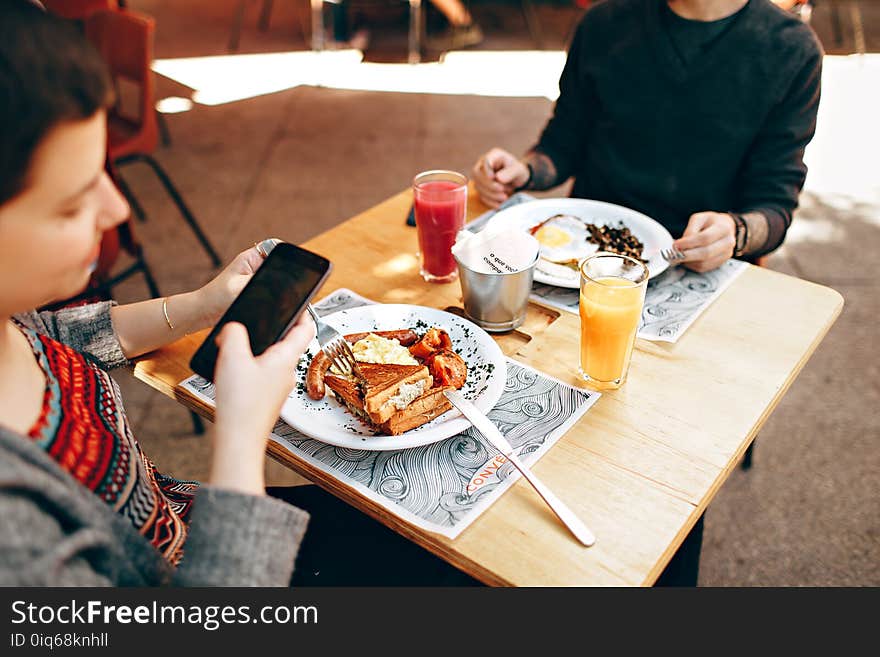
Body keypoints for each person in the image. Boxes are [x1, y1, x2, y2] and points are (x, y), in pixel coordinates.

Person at [0, 0, 317, 586]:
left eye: (104, 173)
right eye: (72, 203)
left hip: (185, 516)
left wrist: (203, 304)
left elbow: (54, 337)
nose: (117, 209)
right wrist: (241, 436)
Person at [471, 0, 822, 272]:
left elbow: (774, 206)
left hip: (696, 265)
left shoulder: (791, 49)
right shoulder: (604, 23)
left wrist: (735, 232)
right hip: (583, 254)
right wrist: (526, 170)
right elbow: (562, 144)